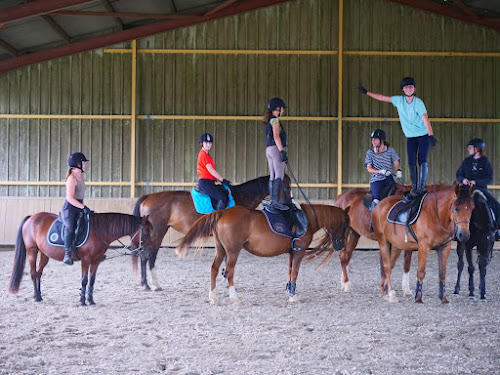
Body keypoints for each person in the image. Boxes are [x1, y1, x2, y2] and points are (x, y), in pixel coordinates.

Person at [359, 77, 437, 202]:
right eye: (406, 87)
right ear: (403, 90)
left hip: (423, 135)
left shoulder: (418, 103)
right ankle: (415, 188)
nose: (409, 89)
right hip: (410, 136)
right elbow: (383, 98)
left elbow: (425, 119)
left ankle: (421, 187)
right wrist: (367, 92)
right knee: (411, 161)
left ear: (414, 89)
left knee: (421, 159)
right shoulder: (399, 101)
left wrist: (430, 135)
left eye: (411, 87)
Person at [456, 138, 500, 231]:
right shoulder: (466, 161)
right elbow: (458, 174)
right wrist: (463, 180)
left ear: (478, 149)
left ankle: (496, 228)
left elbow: (489, 179)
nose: (469, 149)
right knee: (454, 204)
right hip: (466, 189)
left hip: (480, 189)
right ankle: (453, 229)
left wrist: (476, 182)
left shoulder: (485, 162)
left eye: (470, 147)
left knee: (496, 205)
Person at [61, 152, 92, 265]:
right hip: (70, 209)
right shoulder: (72, 178)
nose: (85, 165)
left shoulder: (80, 176)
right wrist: (83, 207)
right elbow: (69, 198)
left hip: (79, 206)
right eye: (84, 163)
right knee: (70, 227)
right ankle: (67, 254)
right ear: (78, 164)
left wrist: (83, 207)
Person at [364, 129, 402, 211]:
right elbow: (369, 168)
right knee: (376, 200)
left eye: (375, 139)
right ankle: (373, 221)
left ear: (381, 140)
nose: (373, 141)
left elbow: (396, 162)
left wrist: (398, 170)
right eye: (372, 139)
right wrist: (380, 171)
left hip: (389, 178)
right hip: (377, 180)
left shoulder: (390, 151)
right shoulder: (370, 153)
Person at [263, 97, 288, 210]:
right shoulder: (275, 120)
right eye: (282, 109)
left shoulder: (269, 120)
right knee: (279, 175)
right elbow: (276, 136)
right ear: (277, 108)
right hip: (275, 149)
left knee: (272, 176)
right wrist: (282, 150)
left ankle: (272, 200)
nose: (283, 111)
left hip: (268, 149)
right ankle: (276, 201)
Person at [197, 133, 231, 211]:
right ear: (202, 143)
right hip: (206, 182)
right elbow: (211, 170)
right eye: (206, 142)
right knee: (223, 198)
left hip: (209, 182)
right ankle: (216, 220)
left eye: (210, 143)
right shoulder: (203, 155)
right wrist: (222, 180)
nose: (208, 144)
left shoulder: (206, 155)